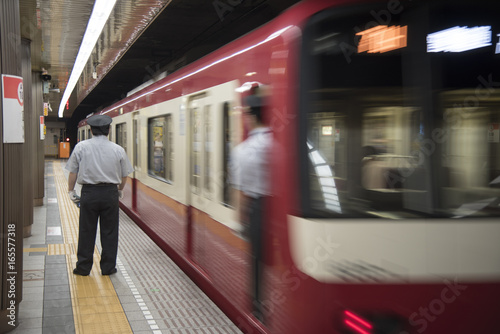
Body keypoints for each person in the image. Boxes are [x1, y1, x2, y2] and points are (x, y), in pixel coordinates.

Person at [66, 114, 134, 276]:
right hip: (110, 193)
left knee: (86, 231)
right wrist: (119, 190)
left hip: (89, 193)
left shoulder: (81, 147)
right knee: (110, 231)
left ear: (90, 130)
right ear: (109, 130)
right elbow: (125, 176)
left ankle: (83, 268)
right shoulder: (118, 149)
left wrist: (71, 190)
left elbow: (73, 172)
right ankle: (108, 268)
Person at [230, 90, 272, 321]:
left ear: (250, 117)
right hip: (281, 210)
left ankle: (259, 309)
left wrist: (239, 222)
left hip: (258, 210)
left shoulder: (243, 151)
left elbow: (239, 191)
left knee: (257, 261)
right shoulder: (281, 145)